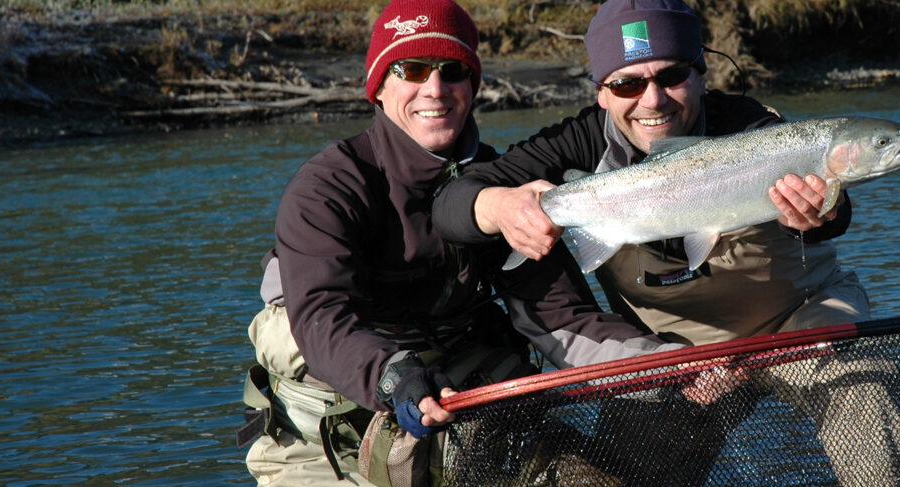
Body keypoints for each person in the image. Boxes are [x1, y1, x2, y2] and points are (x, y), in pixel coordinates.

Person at [432, 0, 900, 484]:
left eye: (671, 77)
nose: (653, 100)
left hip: (800, 324)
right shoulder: (574, 143)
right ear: (601, 92)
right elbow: (451, 205)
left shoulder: (757, 127)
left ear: (700, 74)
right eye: (627, 83)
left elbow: (834, 219)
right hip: (679, 357)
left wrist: (821, 212)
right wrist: (500, 208)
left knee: (866, 393)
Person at [237, 1, 683, 485]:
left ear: (472, 86)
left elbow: (563, 319)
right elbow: (322, 317)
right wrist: (393, 375)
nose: (435, 88)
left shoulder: (506, 187)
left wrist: (668, 367)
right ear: (380, 90)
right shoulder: (329, 187)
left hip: (465, 426)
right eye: (412, 69)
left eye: (453, 71)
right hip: (320, 447)